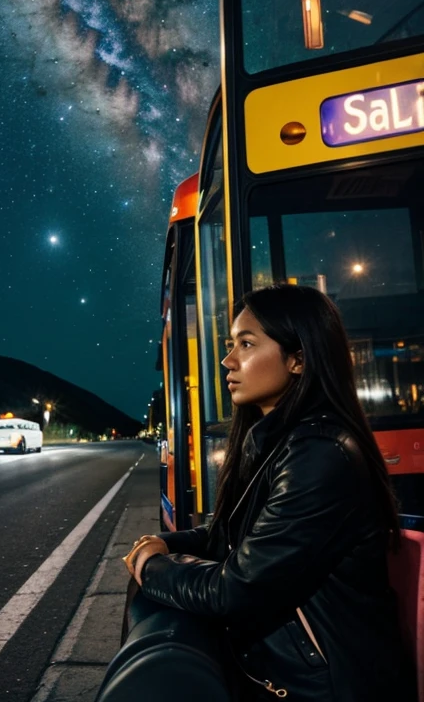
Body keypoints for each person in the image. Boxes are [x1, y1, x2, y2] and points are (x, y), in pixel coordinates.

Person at [124, 284, 414, 702]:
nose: (227, 360)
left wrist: (150, 567)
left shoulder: (320, 453)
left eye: (246, 344)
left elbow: (235, 590)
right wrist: (163, 543)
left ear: (298, 359)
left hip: (322, 687)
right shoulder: (274, 442)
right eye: (230, 345)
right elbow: (228, 535)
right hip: (281, 671)